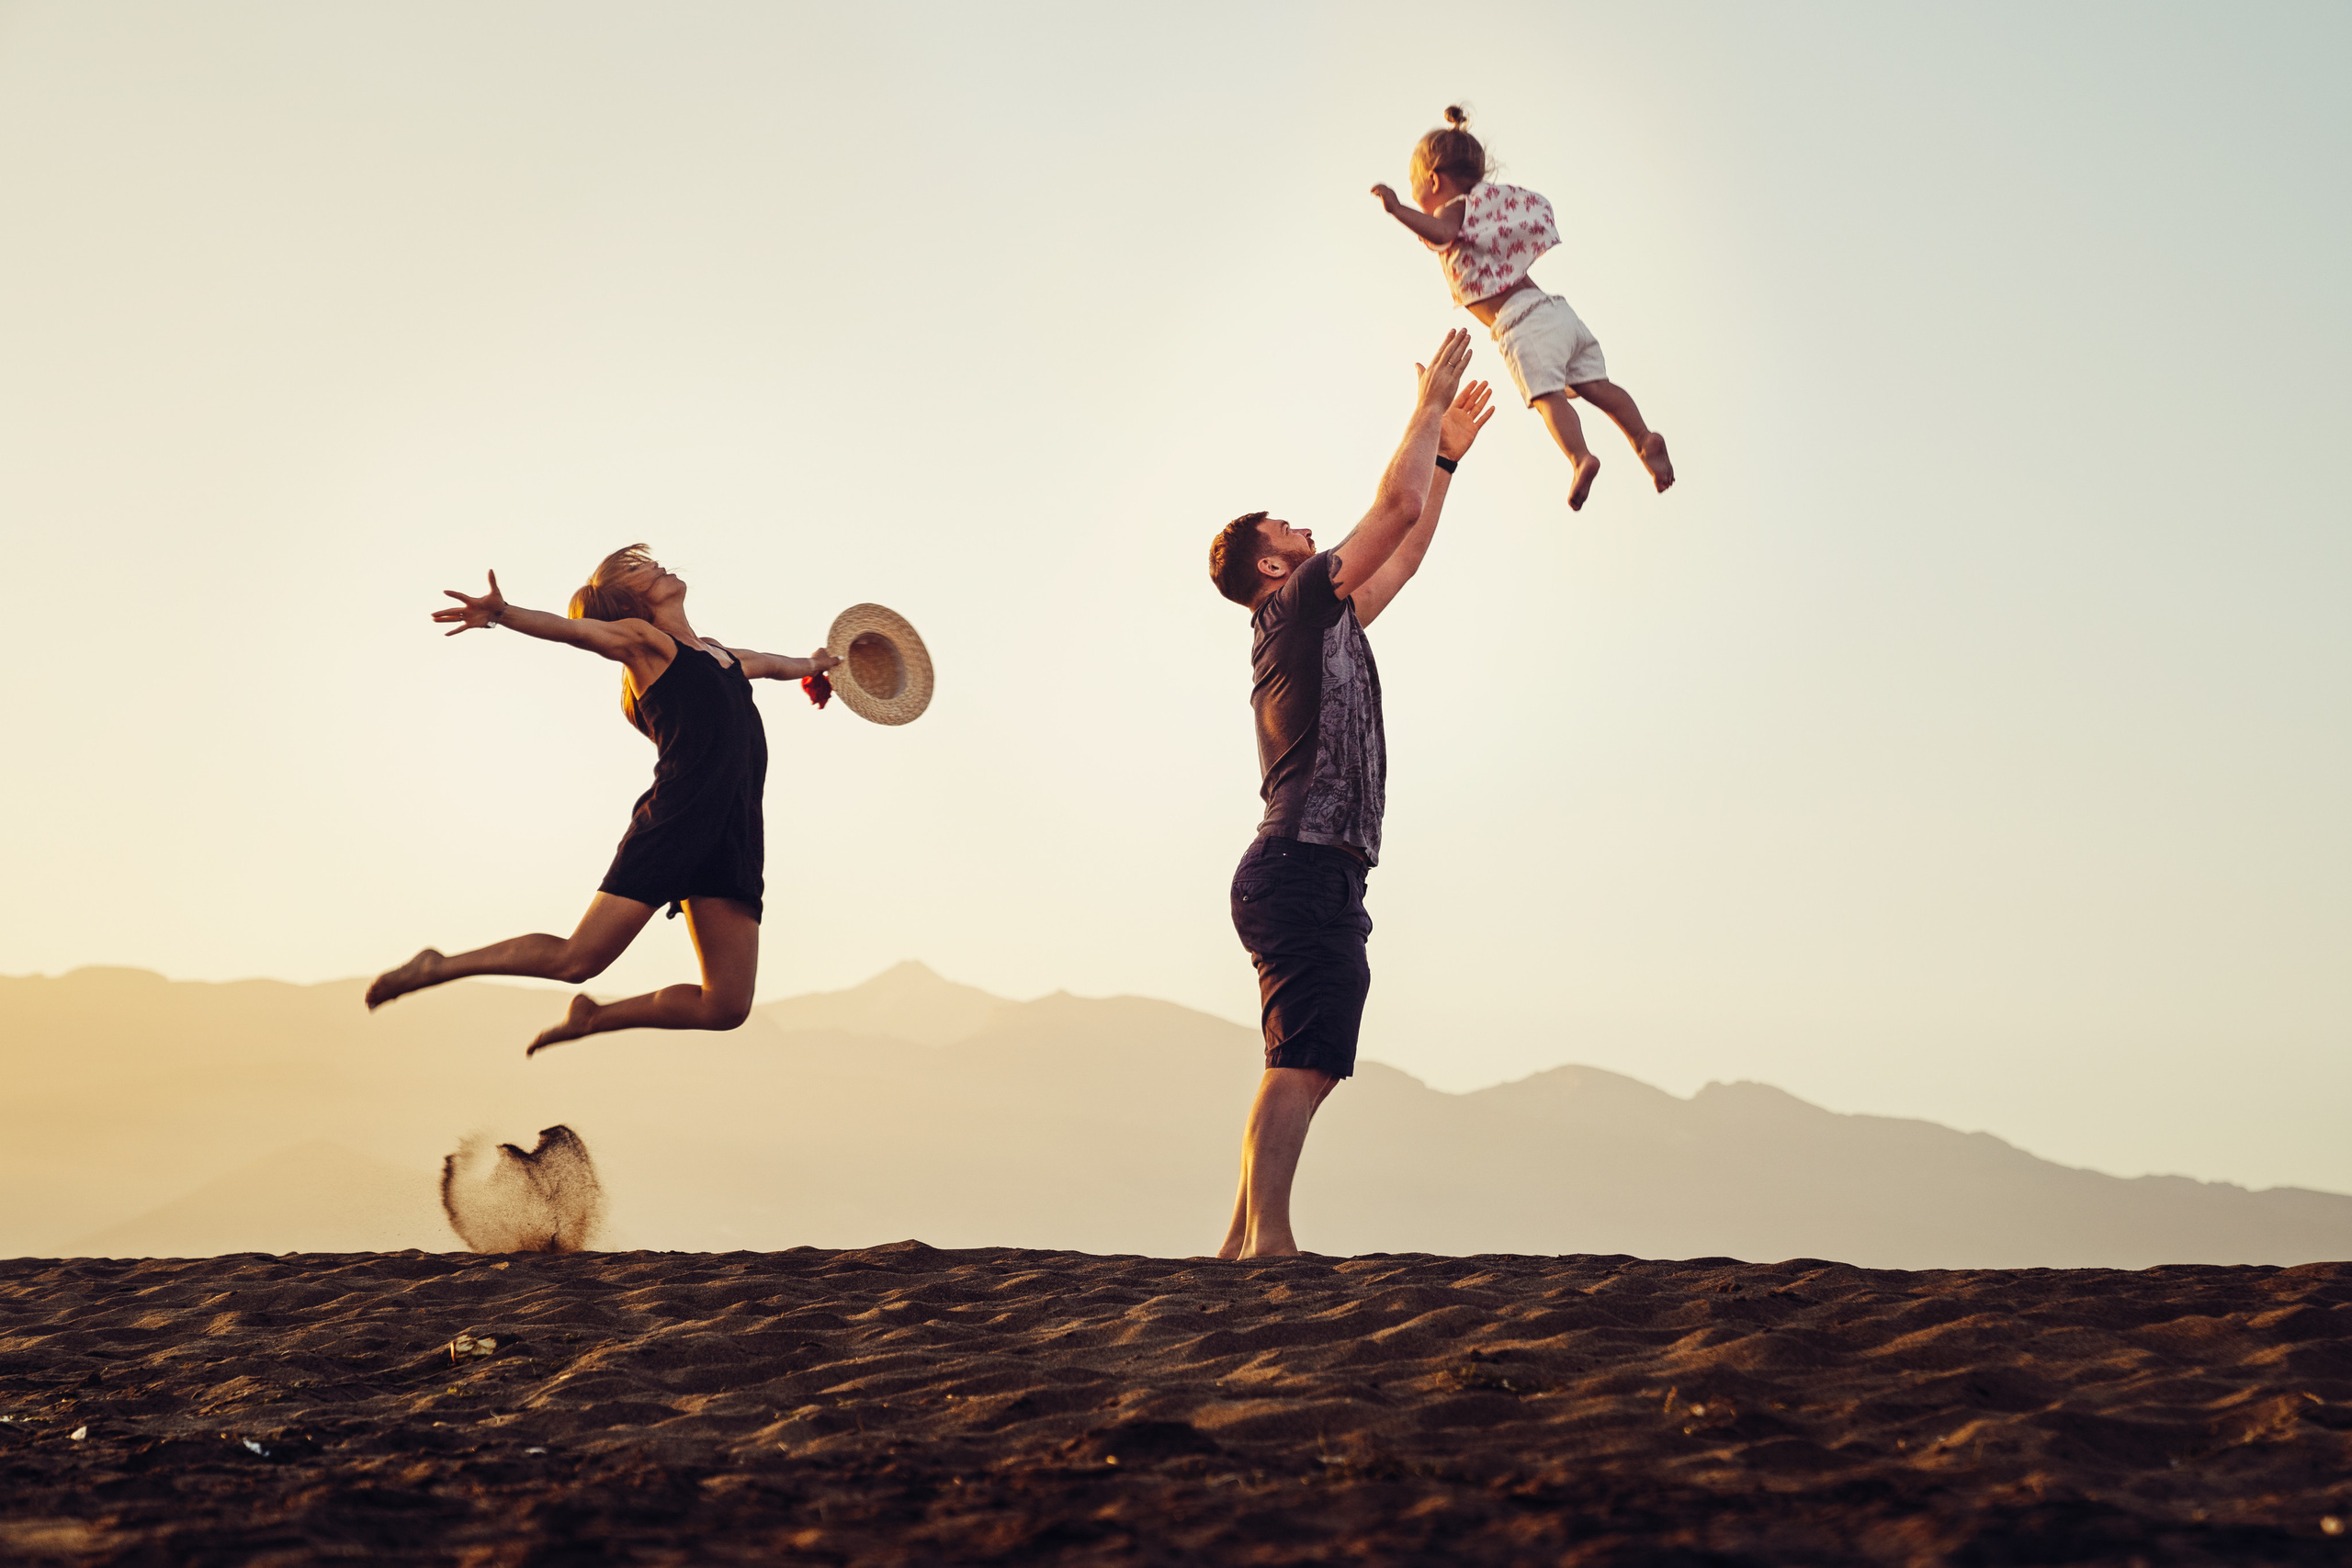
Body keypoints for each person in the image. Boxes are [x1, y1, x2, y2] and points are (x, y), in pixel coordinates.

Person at [1205, 328, 1492, 1258]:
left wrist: (1443, 455)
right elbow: (1390, 505)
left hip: (1319, 873)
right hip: (1297, 865)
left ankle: (1241, 1241)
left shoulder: (1324, 618)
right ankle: (1270, 1246)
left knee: (1309, 1060)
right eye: (1286, 530)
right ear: (1271, 567)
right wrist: (1422, 415)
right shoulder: (1289, 610)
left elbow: (1401, 548)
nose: (1303, 529)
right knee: (1299, 1061)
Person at [364, 545, 841, 1055]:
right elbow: (573, 631)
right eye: (637, 569)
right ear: (627, 603)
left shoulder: (719, 656)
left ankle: (594, 1018)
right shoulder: (644, 644)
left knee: (725, 1006)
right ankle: (439, 966)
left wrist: (813, 666)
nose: (654, 564)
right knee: (576, 960)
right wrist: (502, 614)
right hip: (678, 822)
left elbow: (770, 663)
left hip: (734, 832)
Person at [1372, 106, 1674, 512]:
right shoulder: (1486, 206)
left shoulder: (1454, 210)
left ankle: (1580, 455)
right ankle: (1642, 437)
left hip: (1522, 323)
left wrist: (1397, 211)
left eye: (1414, 191)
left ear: (1432, 180)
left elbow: (1440, 232)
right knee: (1598, 386)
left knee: (1548, 396)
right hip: (1555, 312)